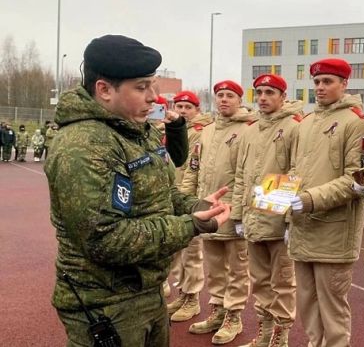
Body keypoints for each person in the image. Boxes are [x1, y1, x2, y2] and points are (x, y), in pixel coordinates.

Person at [44, 34, 232, 347]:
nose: (153, 98)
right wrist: (191, 225)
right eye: (141, 87)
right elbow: (105, 238)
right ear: (104, 90)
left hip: (145, 290)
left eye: (153, 86)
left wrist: (195, 206)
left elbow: (159, 191)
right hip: (106, 303)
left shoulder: (133, 129)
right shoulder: (82, 146)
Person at [288, 58, 364, 347]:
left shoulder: (356, 122)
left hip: (334, 232)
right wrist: (281, 198)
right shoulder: (307, 123)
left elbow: (356, 180)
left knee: (333, 308)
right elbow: (296, 171)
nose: (320, 88)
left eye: (328, 82)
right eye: (317, 82)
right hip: (303, 225)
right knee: (307, 303)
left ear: (344, 84)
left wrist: (307, 200)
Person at [231, 74, 303, 347]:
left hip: (276, 218)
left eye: (270, 92)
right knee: (259, 281)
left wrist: (286, 220)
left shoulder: (294, 127)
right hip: (252, 218)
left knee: (283, 282)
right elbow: (241, 174)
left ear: (283, 96)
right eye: (259, 92)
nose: (263, 98)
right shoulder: (250, 130)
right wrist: (238, 214)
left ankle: (280, 336)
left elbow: (294, 172)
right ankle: (263, 332)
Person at [180, 80, 255, 344]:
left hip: (233, 211)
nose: (224, 100)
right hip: (208, 209)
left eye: (229, 96)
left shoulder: (248, 130)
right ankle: (218, 310)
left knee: (237, 268)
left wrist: (240, 211)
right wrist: (189, 201)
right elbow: (194, 167)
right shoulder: (208, 131)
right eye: (220, 95)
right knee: (214, 267)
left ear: (239, 99)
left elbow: (248, 174)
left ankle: (233, 316)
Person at [165, 89, 214, 322]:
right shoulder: (172, 130)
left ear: (197, 110)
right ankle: (183, 294)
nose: (183, 111)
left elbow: (192, 168)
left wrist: (189, 197)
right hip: (174, 195)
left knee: (192, 253)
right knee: (178, 252)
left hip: (190, 197)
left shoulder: (199, 133)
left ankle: (193, 299)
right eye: (180, 107)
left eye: (188, 107)